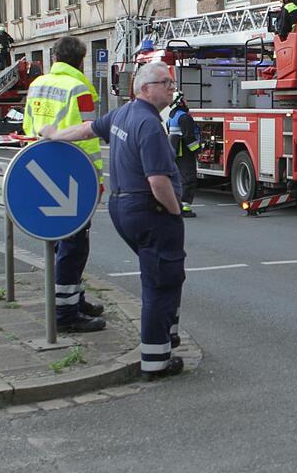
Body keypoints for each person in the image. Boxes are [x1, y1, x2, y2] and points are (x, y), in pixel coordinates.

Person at [39, 61, 187, 381]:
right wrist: (175, 211)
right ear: (145, 88)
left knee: (164, 275)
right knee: (161, 281)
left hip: (124, 208)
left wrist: (53, 135)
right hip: (151, 211)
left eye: (172, 83)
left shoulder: (123, 114)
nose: (172, 88)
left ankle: (167, 335)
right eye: (166, 83)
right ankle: (156, 359)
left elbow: (86, 129)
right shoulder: (149, 125)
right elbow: (158, 180)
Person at [23, 36, 106, 334]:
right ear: (81, 60)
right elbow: (88, 132)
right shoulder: (80, 88)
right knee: (75, 244)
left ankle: (74, 299)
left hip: (42, 167)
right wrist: (96, 176)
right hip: (74, 172)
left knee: (62, 243)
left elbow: (28, 126)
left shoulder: (37, 85)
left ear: (55, 57)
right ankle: (66, 313)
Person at [167, 91, 199, 218]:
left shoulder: (171, 117)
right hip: (185, 152)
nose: (187, 102)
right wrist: (198, 151)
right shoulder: (184, 117)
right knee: (189, 179)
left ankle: (176, 205)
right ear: (179, 102)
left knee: (179, 179)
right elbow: (189, 138)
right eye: (184, 99)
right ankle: (184, 208)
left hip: (176, 152)